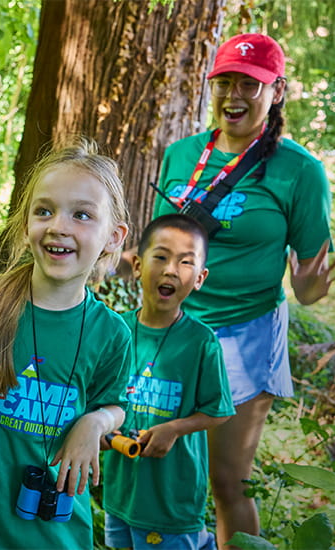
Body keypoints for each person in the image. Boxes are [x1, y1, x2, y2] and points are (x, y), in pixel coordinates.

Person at [148, 33, 335, 547]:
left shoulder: (300, 171)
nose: (235, 94)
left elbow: (307, 286)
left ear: (276, 91)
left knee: (226, 481)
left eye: (250, 85)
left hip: (244, 333)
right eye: (226, 81)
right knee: (162, 467)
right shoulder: (181, 154)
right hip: (171, 331)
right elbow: (160, 245)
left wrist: (308, 285)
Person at [0, 139, 135, 549]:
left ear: (113, 236)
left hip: (55, 532)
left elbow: (115, 405)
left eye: (81, 215)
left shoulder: (111, 333)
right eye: (44, 211)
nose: (59, 226)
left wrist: (95, 422)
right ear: (25, 224)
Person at [101, 214, 234, 550]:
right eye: (160, 257)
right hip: (121, 494)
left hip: (172, 501)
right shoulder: (116, 332)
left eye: (185, 262)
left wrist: (174, 429)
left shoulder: (200, 342)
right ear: (136, 265)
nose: (171, 270)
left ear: (200, 278)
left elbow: (219, 411)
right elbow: (99, 398)